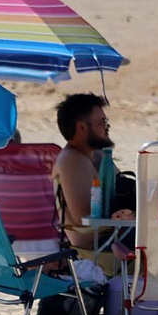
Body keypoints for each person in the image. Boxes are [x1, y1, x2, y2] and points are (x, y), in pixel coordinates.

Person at [52, 92, 113, 255]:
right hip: (97, 253)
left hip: (110, 242)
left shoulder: (96, 155)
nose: (107, 127)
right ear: (82, 127)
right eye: (101, 122)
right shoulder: (72, 161)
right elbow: (85, 221)